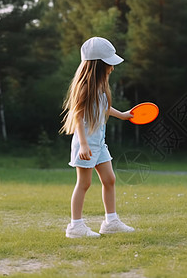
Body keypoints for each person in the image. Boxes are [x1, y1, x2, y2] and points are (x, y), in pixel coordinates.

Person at [60, 37, 135, 238]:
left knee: (109, 179)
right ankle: (75, 226)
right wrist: (83, 145)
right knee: (84, 183)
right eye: (109, 63)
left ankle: (111, 222)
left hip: (99, 143)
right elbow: (78, 115)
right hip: (85, 144)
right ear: (99, 65)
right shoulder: (84, 87)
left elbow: (104, 108)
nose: (112, 67)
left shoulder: (100, 88)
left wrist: (123, 115)